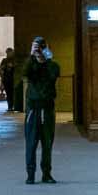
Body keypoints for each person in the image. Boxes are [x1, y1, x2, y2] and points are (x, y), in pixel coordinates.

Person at [23, 36, 61, 184]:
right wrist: (32, 56)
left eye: (40, 47)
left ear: (46, 48)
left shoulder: (53, 66)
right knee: (31, 143)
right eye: (36, 47)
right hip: (33, 109)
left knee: (47, 143)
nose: (38, 50)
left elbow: (52, 76)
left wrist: (45, 59)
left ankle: (47, 174)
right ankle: (30, 174)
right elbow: (26, 73)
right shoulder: (30, 65)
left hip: (47, 109)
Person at [0, 50, 19, 115]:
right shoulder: (4, 60)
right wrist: (3, 67)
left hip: (13, 79)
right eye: (8, 53)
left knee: (12, 93)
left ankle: (12, 106)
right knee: (8, 93)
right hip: (6, 79)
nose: (8, 54)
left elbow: (17, 67)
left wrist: (12, 66)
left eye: (10, 53)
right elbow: (0, 68)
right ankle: (9, 106)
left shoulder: (14, 60)